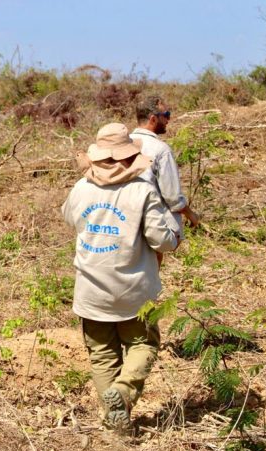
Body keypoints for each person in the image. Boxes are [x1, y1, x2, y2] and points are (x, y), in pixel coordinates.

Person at [63, 123, 180, 432]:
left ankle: (116, 425)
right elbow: (162, 241)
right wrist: (176, 234)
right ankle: (124, 392)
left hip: (90, 291)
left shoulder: (81, 188)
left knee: (102, 355)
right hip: (134, 292)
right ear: (129, 156)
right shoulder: (142, 190)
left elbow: (69, 217)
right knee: (143, 344)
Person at [131, 95, 200, 231]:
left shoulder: (122, 142)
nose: (169, 119)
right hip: (149, 222)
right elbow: (172, 197)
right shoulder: (161, 150)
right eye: (166, 115)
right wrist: (191, 215)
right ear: (153, 119)